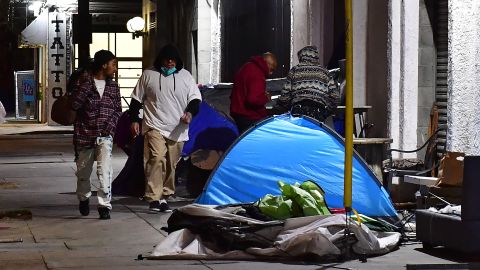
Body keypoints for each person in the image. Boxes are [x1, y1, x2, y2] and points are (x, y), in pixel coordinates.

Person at [129, 44, 202, 212]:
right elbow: (136, 99)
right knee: (156, 158)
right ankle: (153, 197)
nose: (170, 62)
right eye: (167, 59)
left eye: (173, 59)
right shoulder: (149, 75)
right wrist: (134, 120)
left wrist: (190, 114)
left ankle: (165, 195)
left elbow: (195, 99)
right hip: (154, 125)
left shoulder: (185, 76)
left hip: (178, 128)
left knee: (171, 163)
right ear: (160, 60)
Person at [71, 50, 122, 220]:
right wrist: (85, 85)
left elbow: (117, 110)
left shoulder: (113, 86)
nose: (115, 68)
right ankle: (84, 198)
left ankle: (104, 205)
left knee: (104, 170)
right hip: (85, 134)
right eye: (113, 64)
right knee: (83, 172)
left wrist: (111, 127)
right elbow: (75, 105)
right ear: (103, 65)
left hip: (105, 135)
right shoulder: (84, 82)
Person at [275, 46, 339, 122]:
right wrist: (326, 112)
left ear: (301, 57)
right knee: (314, 133)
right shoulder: (325, 72)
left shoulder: (295, 70)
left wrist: (279, 107)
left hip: (298, 111)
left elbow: (285, 96)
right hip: (318, 112)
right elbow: (335, 98)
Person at [230, 52, 278, 133]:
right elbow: (253, 99)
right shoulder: (257, 73)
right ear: (266, 63)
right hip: (249, 116)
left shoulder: (247, 67)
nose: (271, 73)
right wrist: (266, 97)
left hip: (238, 112)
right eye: (271, 69)